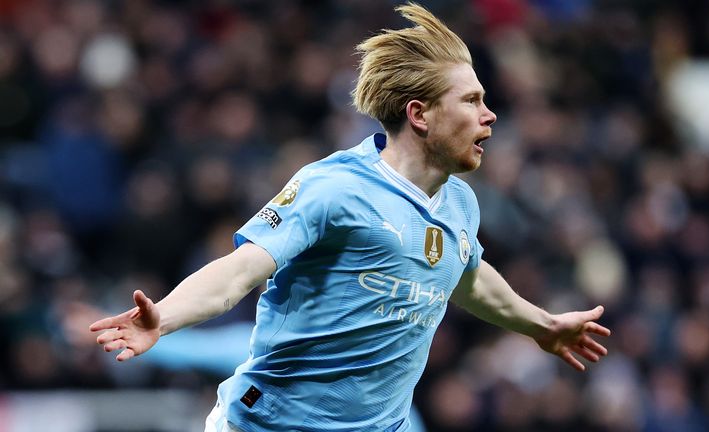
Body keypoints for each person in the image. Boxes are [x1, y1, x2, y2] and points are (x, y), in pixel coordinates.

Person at [90, 3, 611, 431]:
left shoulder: (460, 203)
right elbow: (240, 270)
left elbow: (467, 277)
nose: (488, 114)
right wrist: (167, 317)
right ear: (420, 114)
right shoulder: (334, 188)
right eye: (472, 100)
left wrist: (541, 325)